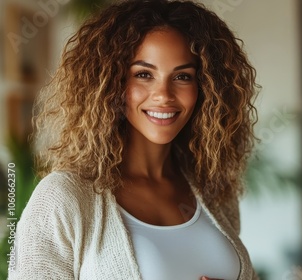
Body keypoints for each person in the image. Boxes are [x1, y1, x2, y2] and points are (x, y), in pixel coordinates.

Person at [9, 0, 259, 279]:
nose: (164, 94)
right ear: (111, 83)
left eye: (182, 76)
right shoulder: (64, 198)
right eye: (143, 74)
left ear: (205, 88)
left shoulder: (213, 192)